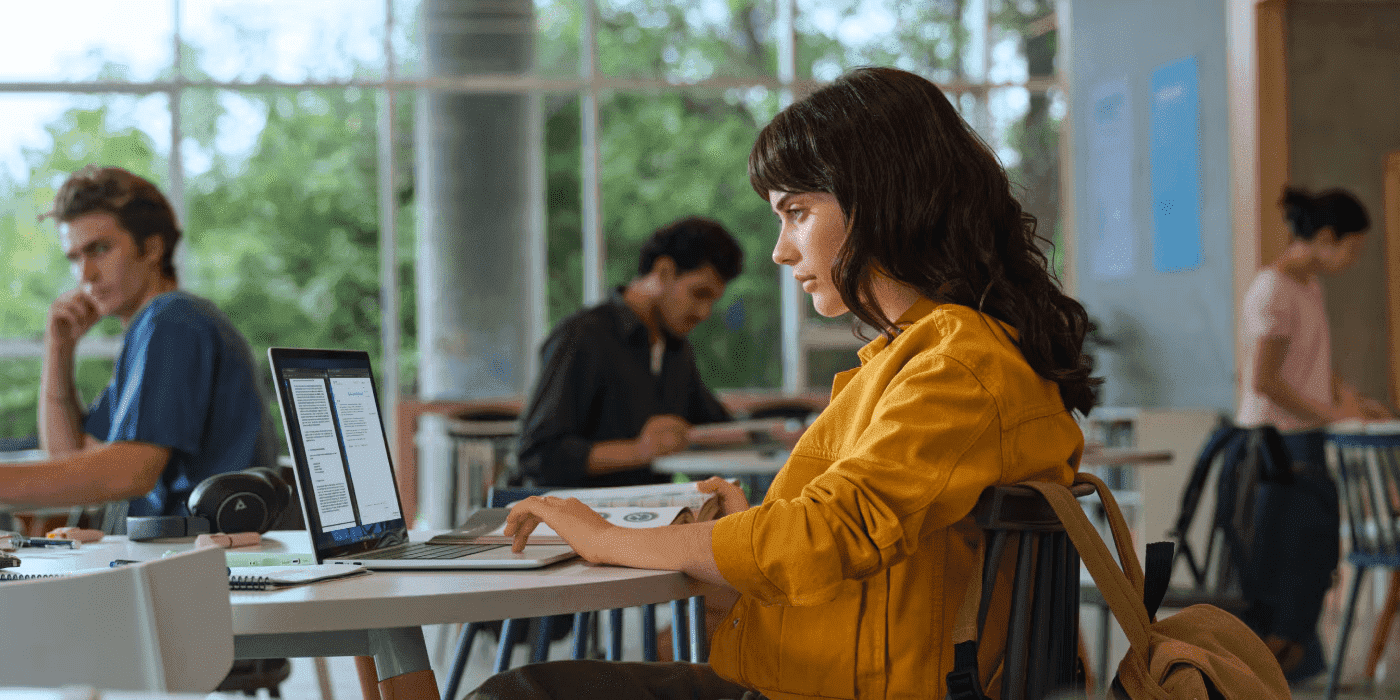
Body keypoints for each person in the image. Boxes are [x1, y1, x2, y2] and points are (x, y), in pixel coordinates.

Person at [467, 66, 1098, 700]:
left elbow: (828, 536)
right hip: (838, 675)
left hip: (834, 690)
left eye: (796, 212)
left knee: (517, 693)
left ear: (881, 198)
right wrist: (758, 528)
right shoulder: (938, 353)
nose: (781, 250)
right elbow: (858, 530)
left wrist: (605, 538)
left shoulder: (955, 364)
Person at [0, 166, 277, 519]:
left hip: (202, 561)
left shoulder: (172, 319)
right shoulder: (153, 330)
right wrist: (59, 350)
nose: (85, 275)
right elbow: (69, 458)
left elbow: (129, 473)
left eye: (99, 249)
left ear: (151, 248)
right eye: (75, 258)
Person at [1236, 185, 1391, 682]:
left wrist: (1350, 398)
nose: (1353, 258)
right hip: (1279, 452)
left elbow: (1310, 365)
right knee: (1289, 578)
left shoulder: (1308, 288)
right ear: (1325, 237)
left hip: (1305, 444)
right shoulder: (1275, 289)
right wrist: (1329, 413)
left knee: (1311, 569)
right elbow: (1266, 382)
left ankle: (1290, 679)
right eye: (1352, 247)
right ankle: (1260, 679)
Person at [516, 216, 744, 488]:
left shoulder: (675, 350)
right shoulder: (583, 336)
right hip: (571, 521)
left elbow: (715, 427)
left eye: (712, 301)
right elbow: (537, 455)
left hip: (643, 520)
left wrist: (781, 433)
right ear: (663, 272)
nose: (705, 313)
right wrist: (640, 450)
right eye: (699, 294)